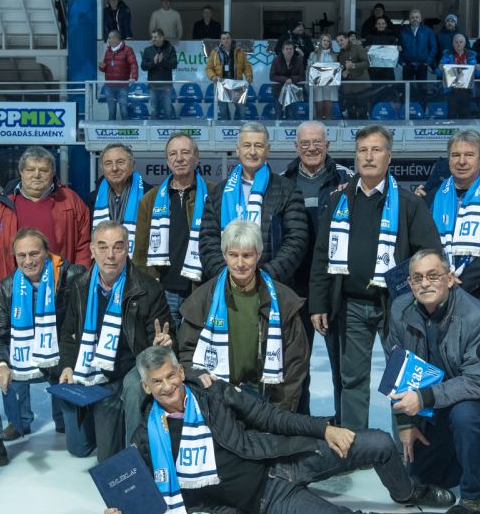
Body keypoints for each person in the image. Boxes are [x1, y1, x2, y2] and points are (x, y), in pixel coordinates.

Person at [105, 346, 480, 514]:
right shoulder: (147, 440)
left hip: (283, 459)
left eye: (171, 376)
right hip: (269, 500)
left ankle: (409, 493)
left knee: (380, 443)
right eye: (157, 382)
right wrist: (121, 512)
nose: (167, 387)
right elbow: (142, 494)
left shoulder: (211, 392)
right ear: (146, 387)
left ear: (181, 371)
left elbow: (270, 417)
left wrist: (324, 430)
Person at [309, 125, 442, 430]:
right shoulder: (337, 201)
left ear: (389, 157)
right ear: (356, 157)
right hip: (351, 305)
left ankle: (407, 445)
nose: (368, 157)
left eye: (376, 150)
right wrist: (318, 303)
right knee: (352, 380)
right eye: (362, 151)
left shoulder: (409, 204)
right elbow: (321, 255)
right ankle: (356, 446)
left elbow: (430, 252)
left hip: (397, 306)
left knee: (403, 379)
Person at [0, 147, 91, 438]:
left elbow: (83, 245)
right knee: (15, 353)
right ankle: (19, 419)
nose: (37, 175)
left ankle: (64, 416)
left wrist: (80, 283)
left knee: (58, 351)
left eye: (43, 170)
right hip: (11, 294)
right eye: (31, 170)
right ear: (21, 173)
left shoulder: (70, 201)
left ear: (53, 173)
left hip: (59, 294)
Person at [0, 229, 88, 470]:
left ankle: (76, 422)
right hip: (24, 358)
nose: (28, 261)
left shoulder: (73, 276)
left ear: (47, 253)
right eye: (21, 255)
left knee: (80, 447)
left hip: (62, 360)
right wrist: (0, 364)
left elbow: (86, 327)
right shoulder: (7, 287)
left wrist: (70, 362)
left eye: (34, 253)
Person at [387, 249, 480, 513]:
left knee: (465, 417)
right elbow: (396, 370)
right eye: (417, 278)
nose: (425, 283)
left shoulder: (477, 317)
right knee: (423, 481)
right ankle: (470, 454)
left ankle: (474, 494)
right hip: (428, 404)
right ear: (409, 283)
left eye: (433, 276)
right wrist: (405, 422)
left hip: (470, 401)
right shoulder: (399, 310)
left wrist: (424, 398)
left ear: (450, 278)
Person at [56, 220, 173, 462]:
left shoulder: (148, 289)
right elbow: (67, 334)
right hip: (97, 373)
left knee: (133, 387)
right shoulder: (80, 286)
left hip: (131, 368)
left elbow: (163, 343)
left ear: (127, 248)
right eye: (103, 247)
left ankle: (136, 456)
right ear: (92, 250)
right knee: (86, 451)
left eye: (118, 247)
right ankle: (98, 422)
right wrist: (67, 365)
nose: (110, 255)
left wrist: (162, 345)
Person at [178, 219, 310, 414]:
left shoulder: (283, 301)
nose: (240, 264)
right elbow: (187, 353)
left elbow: (295, 365)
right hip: (216, 401)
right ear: (224, 255)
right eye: (233, 255)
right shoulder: (202, 299)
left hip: (268, 404)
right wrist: (199, 377)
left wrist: (277, 415)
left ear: (258, 255)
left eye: (247, 255)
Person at [282, 121, 352, 414]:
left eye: (317, 142)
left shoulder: (347, 178)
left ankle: (344, 426)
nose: (311, 148)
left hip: (336, 286)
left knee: (344, 368)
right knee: (297, 365)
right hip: (295, 287)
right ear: (296, 147)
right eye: (305, 143)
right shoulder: (282, 181)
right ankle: (301, 426)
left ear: (327, 145)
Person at [199, 122, 309, 285]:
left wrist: (264, 278)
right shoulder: (218, 193)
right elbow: (208, 241)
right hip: (228, 285)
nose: (252, 152)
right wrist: (230, 278)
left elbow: (296, 241)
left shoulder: (288, 189)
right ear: (238, 149)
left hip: (272, 285)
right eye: (247, 145)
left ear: (267, 150)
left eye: (258, 146)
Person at [428, 130, 480, 327]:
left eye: (469, 155)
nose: (462, 161)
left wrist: (462, 281)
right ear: (449, 160)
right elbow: (425, 244)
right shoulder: (432, 197)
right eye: (455, 155)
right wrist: (442, 277)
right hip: (439, 290)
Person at [133, 133, 214, 326]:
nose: (179, 158)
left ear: (196, 157)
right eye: (173, 154)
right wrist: (148, 288)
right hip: (163, 290)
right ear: (167, 161)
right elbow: (140, 252)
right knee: (166, 342)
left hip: (200, 288)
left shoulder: (213, 194)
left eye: (185, 152)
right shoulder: (150, 199)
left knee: (195, 343)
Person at [88, 143, 149, 256]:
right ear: (102, 169)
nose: (114, 168)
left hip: (140, 263)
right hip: (104, 263)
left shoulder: (151, 197)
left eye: (120, 162)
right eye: (108, 163)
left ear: (133, 166)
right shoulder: (91, 200)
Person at [205, 31, 253, 120]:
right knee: (223, 111)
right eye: (223, 39)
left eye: (227, 38)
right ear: (221, 41)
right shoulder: (215, 52)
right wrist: (213, 76)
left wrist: (249, 75)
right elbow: (209, 68)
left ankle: (243, 127)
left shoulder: (240, 51)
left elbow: (246, 66)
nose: (226, 40)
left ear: (231, 39)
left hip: (237, 83)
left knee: (241, 110)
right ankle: (226, 128)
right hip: (221, 84)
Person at [436, 34, 480, 119]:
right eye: (456, 42)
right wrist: (440, 69)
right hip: (452, 90)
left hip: (466, 90)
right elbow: (438, 73)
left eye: (461, 42)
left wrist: (478, 69)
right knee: (451, 115)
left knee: (465, 115)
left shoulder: (471, 55)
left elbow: (477, 75)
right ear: (453, 43)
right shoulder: (447, 55)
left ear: (464, 43)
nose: (458, 44)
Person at [98, 30, 138, 121]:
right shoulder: (108, 51)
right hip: (109, 86)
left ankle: (126, 129)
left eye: (109, 38)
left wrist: (134, 77)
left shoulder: (128, 50)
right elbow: (105, 68)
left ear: (115, 39)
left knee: (124, 112)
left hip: (122, 86)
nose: (108, 40)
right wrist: (102, 67)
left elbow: (133, 64)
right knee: (111, 112)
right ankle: (111, 130)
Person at [140, 29, 178, 120]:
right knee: (154, 112)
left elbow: (174, 65)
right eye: (152, 37)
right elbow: (143, 66)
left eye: (155, 37)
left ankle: (168, 128)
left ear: (161, 38)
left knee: (168, 111)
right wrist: (153, 63)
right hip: (153, 86)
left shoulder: (170, 49)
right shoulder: (148, 50)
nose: (153, 39)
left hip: (166, 85)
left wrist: (163, 61)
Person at [337, 31, 370, 119]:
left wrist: (354, 65)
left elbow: (366, 63)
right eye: (338, 41)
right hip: (349, 89)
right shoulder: (341, 53)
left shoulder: (358, 48)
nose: (339, 42)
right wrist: (343, 74)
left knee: (362, 112)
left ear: (347, 39)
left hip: (361, 87)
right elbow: (343, 68)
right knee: (351, 113)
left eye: (341, 40)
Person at [269, 41, 305, 119]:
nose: (289, 51)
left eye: (291, 49)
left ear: (293, 50)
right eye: (287, 49)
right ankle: (278, 127)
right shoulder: (276, 60)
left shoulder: (298, 60)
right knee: (278, 114)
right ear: (283, 50)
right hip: (278, 91)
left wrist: (292, 79)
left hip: (293, 91)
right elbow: (272, 76)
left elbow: (302, 76)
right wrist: (285, 79)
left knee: (291, 114)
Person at [399, 9, 437, 82]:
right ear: (409, 19)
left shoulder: (428, 31)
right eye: (412, 17)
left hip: (422, 64)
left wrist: (428, 61)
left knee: (421, 86)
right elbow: (398, 47)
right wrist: (402, 61)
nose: (415, 19)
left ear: (420, 19)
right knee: (407, 87)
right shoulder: (403, 31)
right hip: (407, 64)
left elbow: (433, 47)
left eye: (417, 17)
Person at [308, 33, 339, 120]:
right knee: (319, 108)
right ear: (320, 41)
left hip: (330, 85)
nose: (326, 42)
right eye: (324, 40)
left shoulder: (334, 55)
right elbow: (310, 69)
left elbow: (336, 70)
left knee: (328, 107)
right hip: (318, 85)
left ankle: (329, 125)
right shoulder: (313, 54)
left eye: (328, 41)